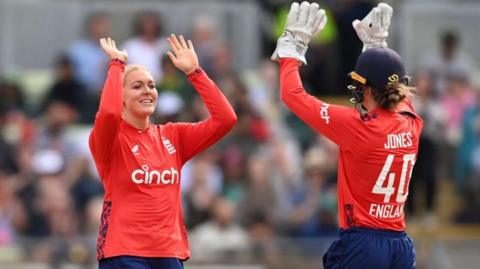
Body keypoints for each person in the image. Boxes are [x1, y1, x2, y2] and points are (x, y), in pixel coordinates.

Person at [272, 2, 422, 269]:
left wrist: (291, 49)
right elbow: (393, 87)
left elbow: (291, 94)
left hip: (363, 243)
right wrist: (377, 47)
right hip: (400, 245)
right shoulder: (412, 121)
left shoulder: (358, 126)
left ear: (367, 88)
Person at [89, 35, 237, 269]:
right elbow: (108, 113)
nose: (147, 91)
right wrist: (117, 64)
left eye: (151, 85)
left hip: (168, 251)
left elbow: (226, 119)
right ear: (121, 97)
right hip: (123, 251)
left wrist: (195, 73)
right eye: (137, 86)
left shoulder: (173, 136)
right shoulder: (110, 138)